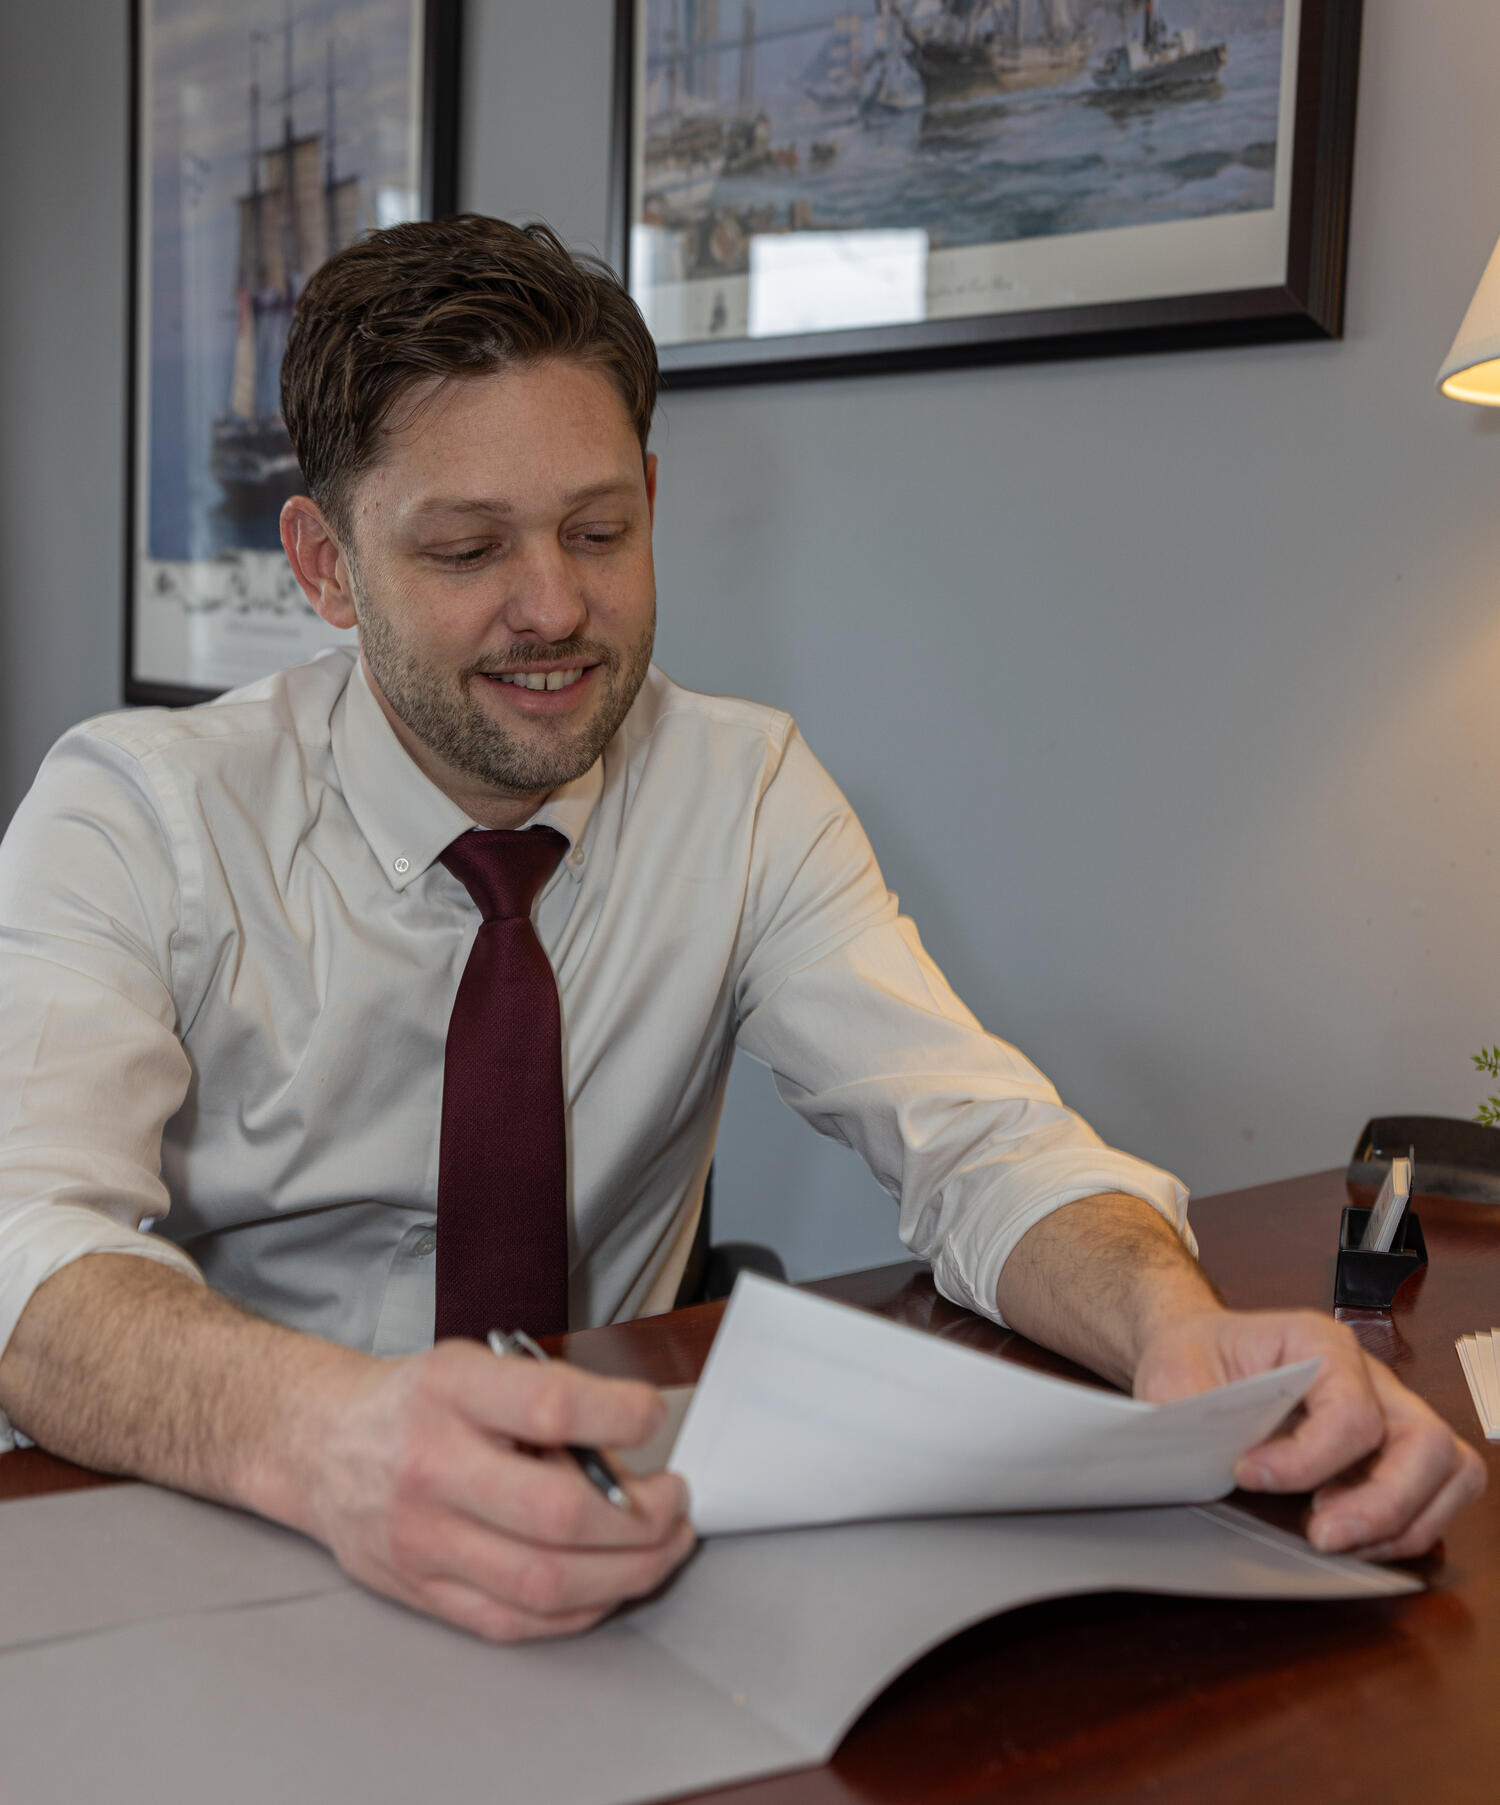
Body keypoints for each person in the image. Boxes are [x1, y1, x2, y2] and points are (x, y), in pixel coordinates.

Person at [0, 217, 1481, 1643]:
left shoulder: (745, 787)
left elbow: (976, 1140)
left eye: (600, 529)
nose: (554, 607)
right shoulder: (137, 811)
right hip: (232, 1523)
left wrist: (1173, 1326)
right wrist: (333, 1438)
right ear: (325, 563)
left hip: (609, 1538)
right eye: (465, 550)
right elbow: (21, 1237)